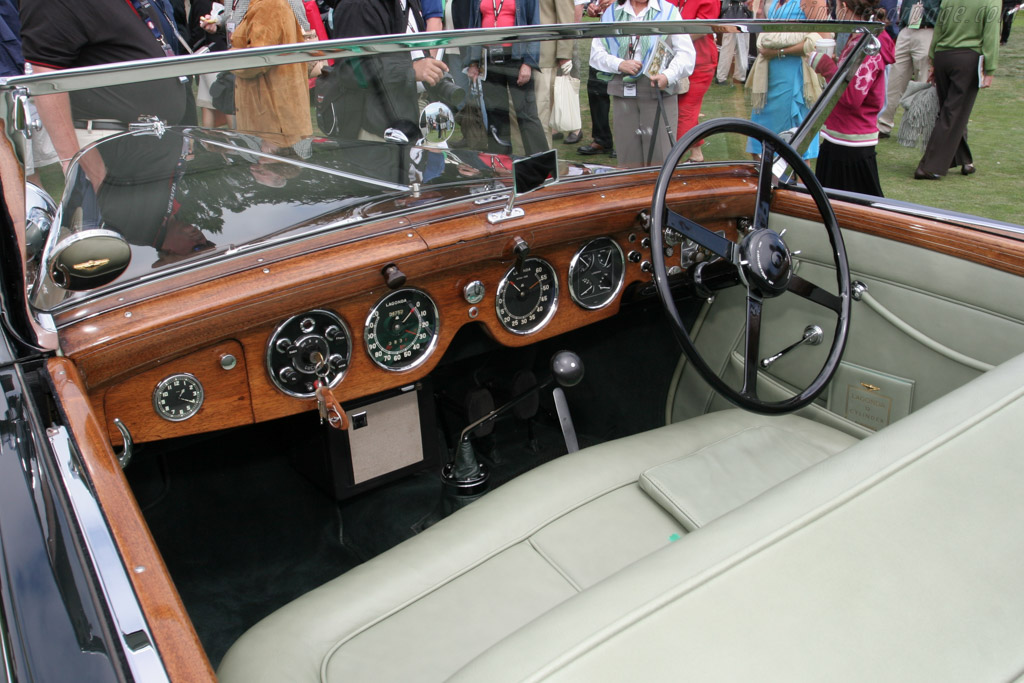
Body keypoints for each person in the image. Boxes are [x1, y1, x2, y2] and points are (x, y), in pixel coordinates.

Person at [19, 0, 189, 185]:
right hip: (112, 143)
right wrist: (76, 162)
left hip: (152, 142)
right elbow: (46, 77)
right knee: (115, 214)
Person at [590, 0, 696, 168]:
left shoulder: (669, 12)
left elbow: (686, 54)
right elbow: (596, 54)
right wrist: (619, 64)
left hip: (657, 89)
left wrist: (667, 76)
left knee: (660, 158)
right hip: (623, 90)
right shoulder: (611, 13)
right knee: (628, 159)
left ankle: (658, 194)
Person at [807, 0, 895, 195]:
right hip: (840, 139)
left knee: (858, 215)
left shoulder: (869, 44)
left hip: (852, 147)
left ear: (844, 6)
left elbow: (852, 98)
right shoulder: (859, 38)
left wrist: (827, 67)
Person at [329, 0, 448, 141]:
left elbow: (413, 52)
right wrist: (410, 70)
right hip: (376, 130)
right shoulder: (357, 4)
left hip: (407, 121)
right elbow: (352, 70)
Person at [914, 0, 1000, 178]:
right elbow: (991, 33)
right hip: (967, 58)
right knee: (953, 113)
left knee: (951, 110)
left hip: (943, 55)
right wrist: (990, 68)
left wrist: (933, 59)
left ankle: (964, 160)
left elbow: (939, 27)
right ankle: (928, 166)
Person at [744, 0, 826, 159]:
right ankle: (769, 183)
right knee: (759, 146)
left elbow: (822, 39)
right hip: (770, 79)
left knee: (793, 150)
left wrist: (779, 52)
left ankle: (794, 183)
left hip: (793, 79)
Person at [466, 0, 549, 156]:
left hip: (517, 58)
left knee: (526, 114)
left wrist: (528, 63)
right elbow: (473, 25)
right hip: (489, 58)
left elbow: (534, 27)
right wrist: (473, 61)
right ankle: (499, 166)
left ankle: (541, 166)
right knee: (495, 115)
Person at [230, 0, 313, 151]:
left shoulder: (268, 4)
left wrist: (229, 56)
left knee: (271, 167)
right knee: (269, 167)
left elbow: (257, 60)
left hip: (272, 109)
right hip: (271, 105)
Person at [876, 0, 941, 137]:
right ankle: (883, 124)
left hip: (928, 29)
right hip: (907, 28)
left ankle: (918, 126)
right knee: (894, 79)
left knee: (923, 80)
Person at [669, 0, 719, 162]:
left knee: (685, 111)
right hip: (674, 62)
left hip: (700, 63)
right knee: (685, 111)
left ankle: (672, 159)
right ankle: (696, 154)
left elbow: (701, 29)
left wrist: (670, 39)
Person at [534, 0, 576, 147]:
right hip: (516, 54)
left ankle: (543, 161)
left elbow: (565, 15)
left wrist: (564, 54)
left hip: (544, 55)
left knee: (541, 114)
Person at [577, 0, 615, 157]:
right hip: (604, 39)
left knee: (627, 96)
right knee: (596, 90)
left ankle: (625, 142)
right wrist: (592, 7)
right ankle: (601, 139)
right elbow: (594, 5)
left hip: (630, 39)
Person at [716, 0, 753, 85]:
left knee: (743, 46)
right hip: (731, 14)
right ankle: (722, 77)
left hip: (743, 13)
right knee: (728, 47)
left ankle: (740, 76)